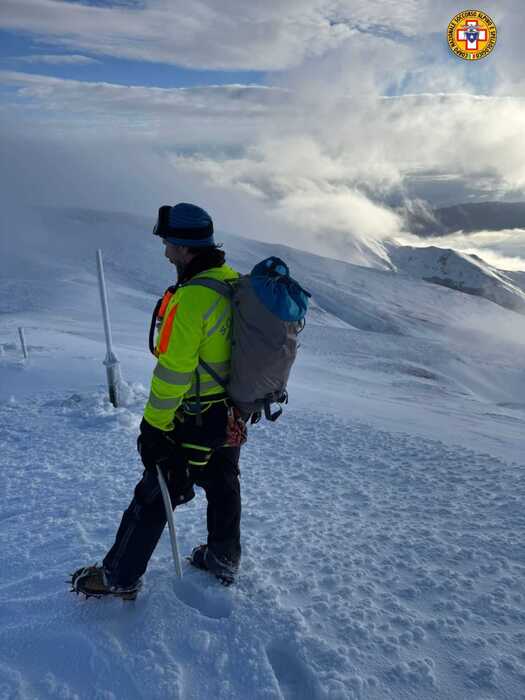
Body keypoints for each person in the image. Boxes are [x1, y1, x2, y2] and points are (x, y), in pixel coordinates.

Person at [71, 203, 242, 599]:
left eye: (168, 243)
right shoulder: (231, 281)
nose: (165, 251)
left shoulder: (192, 299)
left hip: (196, 415)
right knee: (222, 481)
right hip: (231, 412)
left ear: (184, 248)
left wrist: (153, 426)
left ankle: (119, 577)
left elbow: (173, 373)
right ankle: (223, 557)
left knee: (157, 490)